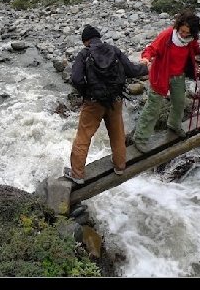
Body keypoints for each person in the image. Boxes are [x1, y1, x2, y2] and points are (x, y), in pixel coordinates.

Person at [63, 25, 149, 184]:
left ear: (85, 41)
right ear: (98, 37)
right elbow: (131, 70)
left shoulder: (84, 54)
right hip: (115, 100)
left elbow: (76, 79)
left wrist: (86, 93)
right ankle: (120, 166)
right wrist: (147, 67)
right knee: (117, 133)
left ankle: (77, 174)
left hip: (94, 102)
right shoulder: (113, 50)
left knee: (84, 136)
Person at [133, 10, 200, 152]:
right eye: (182, 31)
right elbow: (151, 49)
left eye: (188, 32)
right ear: (178, 26)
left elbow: (195, 50)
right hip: (161, 75)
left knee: (179, 102)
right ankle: (140, 138)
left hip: (178, 75)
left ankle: (174, 125)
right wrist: (145, 58)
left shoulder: (190, 39)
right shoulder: (167, 36)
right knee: (153, 108)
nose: (184, 34)